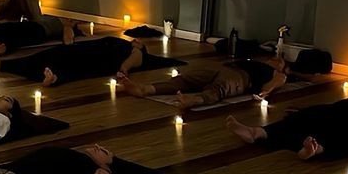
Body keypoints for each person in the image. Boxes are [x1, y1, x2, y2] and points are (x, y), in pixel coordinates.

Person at [227, 90, 348, 160]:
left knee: (347, 133)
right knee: (308, 117)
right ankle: (257, 132)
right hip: (341, 108)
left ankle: (316, 149)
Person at [0, 36, 177, 86]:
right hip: (86, 50)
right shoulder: (125, 45)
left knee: (72, 67)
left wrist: (124, 70)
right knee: (43, 58)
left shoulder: (137, 52)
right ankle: (0, 65)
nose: (136, 39)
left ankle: (54, 79)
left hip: (95, 57)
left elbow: (129, 63)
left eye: (138, 41)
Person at [121, 55, 288, 109]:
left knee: (218, 89)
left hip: (241, 78)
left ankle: (194, 100)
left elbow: (280, 80)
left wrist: (267, 90)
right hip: (222, 67)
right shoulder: (257, 61)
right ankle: (145, 89)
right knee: (184, 80)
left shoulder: (275, 72)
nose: (276, 59)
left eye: (280, 61)